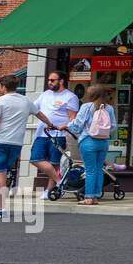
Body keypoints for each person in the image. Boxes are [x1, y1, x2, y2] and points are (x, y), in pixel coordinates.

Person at [0, 74, 54, 220]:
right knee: (1, 173)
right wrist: (49, 124)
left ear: (3, 86)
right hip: (16, 143)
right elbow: (40, 114)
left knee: (0, 173)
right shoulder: (26, 100)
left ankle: (1, 209)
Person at [30, 71, 79, 199]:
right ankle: (60, 182)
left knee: (54, 163)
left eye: (53, 80)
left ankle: (49, 190)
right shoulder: (45, 94)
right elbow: (33, 108)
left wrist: (65, 128)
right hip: (42, 133)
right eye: (49, 80)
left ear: (61, 81)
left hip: (59, 134)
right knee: (35, 158)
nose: (49, 82)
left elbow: (72, 118)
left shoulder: (70, 97)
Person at [65, 84, 115, 207]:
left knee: (90, 170)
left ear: (91, 95)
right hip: (103, 142)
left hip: (88, 141)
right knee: (98, 169)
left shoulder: (87, 107)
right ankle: (96, 195)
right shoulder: (109, 108)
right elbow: (113, 126)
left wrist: (67, 125)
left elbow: (77, 125)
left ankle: (88, 197)